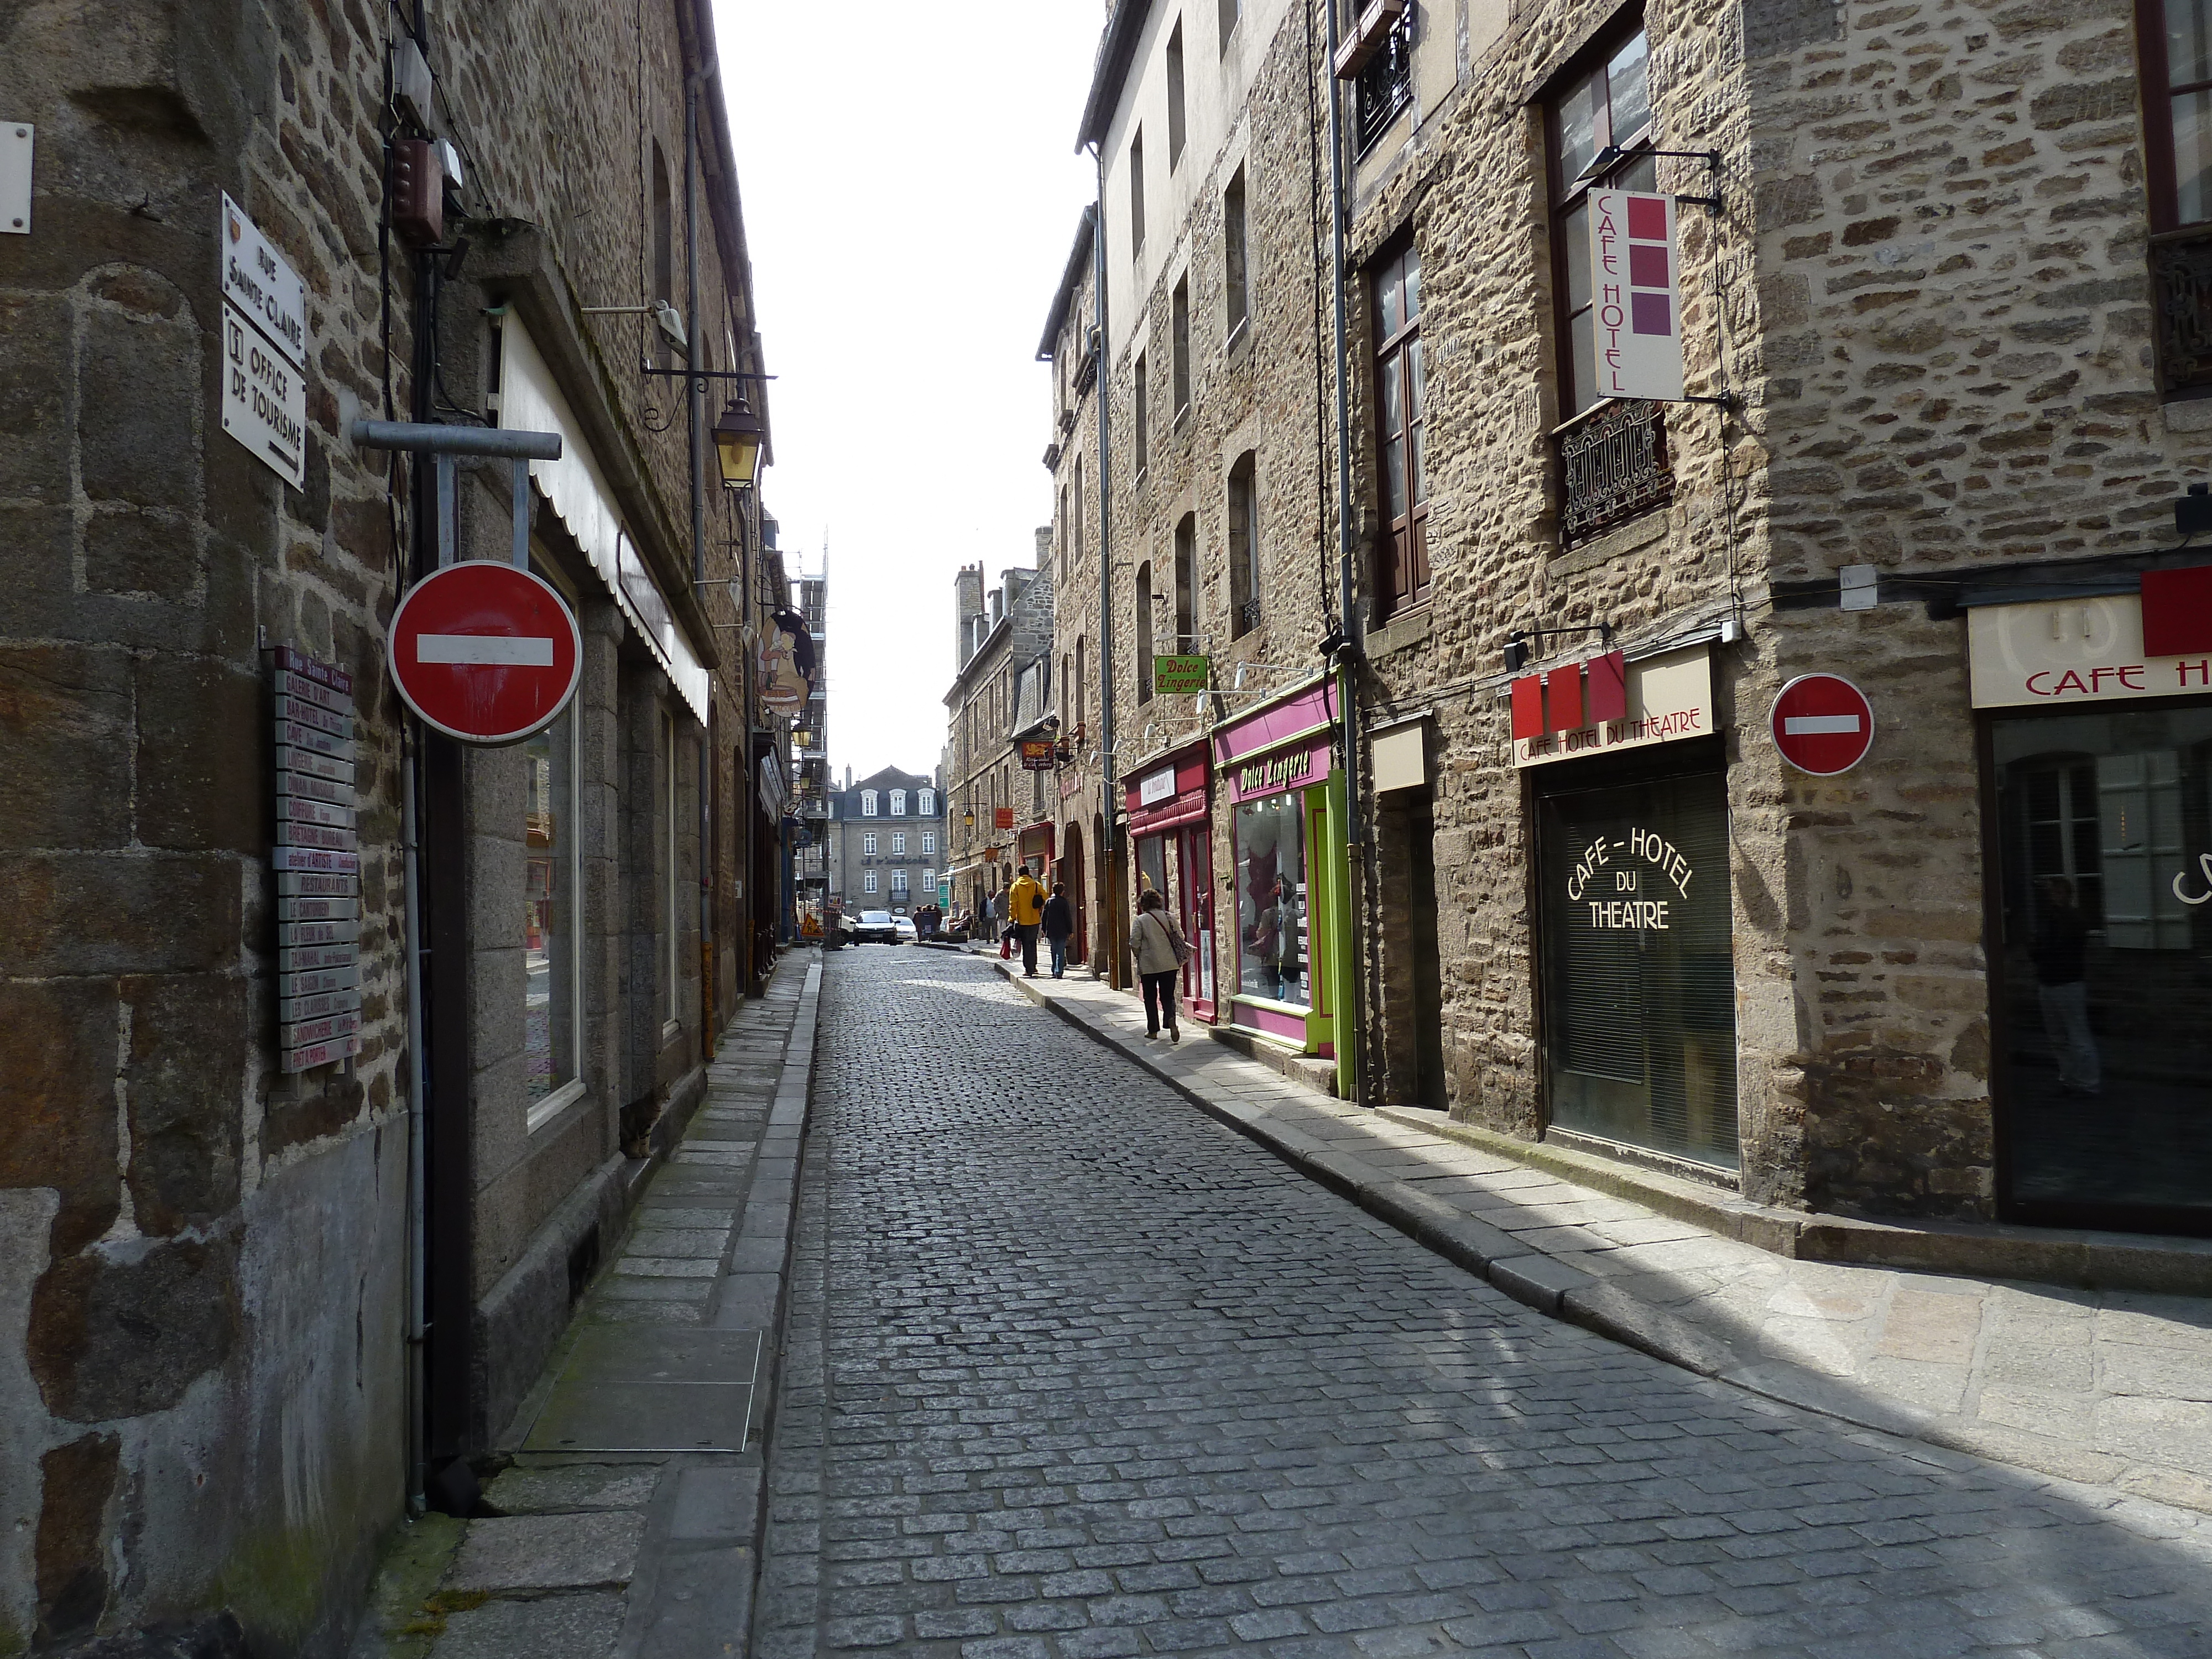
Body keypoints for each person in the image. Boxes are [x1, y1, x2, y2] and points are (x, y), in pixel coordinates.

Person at [2032, 876, 2100, 1096]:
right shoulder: (2047, 919)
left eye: (2059, 893)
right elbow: (2036, 947)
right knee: (2057, 1037)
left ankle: (2089, 1083)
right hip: (2049, 981)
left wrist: (2043, 950)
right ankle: (2070, 1079)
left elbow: (2062, 946)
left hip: (2068, 982)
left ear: (2067, 895)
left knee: (2078, 1035)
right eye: (2052, 893)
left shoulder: (2074, 919)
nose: (2055, 897)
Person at [1131, 888, 1189, 1042]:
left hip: (1149, 964)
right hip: (1169, 963)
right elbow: (1181, 936)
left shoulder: (1141, 920)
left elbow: (1134, 942)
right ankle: (1170, 1019)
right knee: (1168, 995)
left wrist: (1139, 955)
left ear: (1143, 904)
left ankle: (1153, 1030)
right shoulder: (1169, 917)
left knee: (1150, 997)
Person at [1008, 862, 1046, 977]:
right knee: (1033, 943)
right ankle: (1033, 966)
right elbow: (1045, 897)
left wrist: (1012, 918)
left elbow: (1013, 904)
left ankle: (1028, 969)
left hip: (1022, 921)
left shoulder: (1015, 886)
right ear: (1028, 873)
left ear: (1019, 874)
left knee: (1025, 944)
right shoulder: (1036, 885)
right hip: (1035, 919)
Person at [1042, 881, 1074, 978]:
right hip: (1062, 930)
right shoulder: (1064, 902)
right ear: (1062, 892)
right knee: (1060, 951)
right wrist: (1070, 930)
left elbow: (1044, 917)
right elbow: (1067, 917)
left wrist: (1044, 929)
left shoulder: (1049, 902)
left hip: (1051, 930)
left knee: (1054, 950)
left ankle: (1054, 970)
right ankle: (1059, 971)